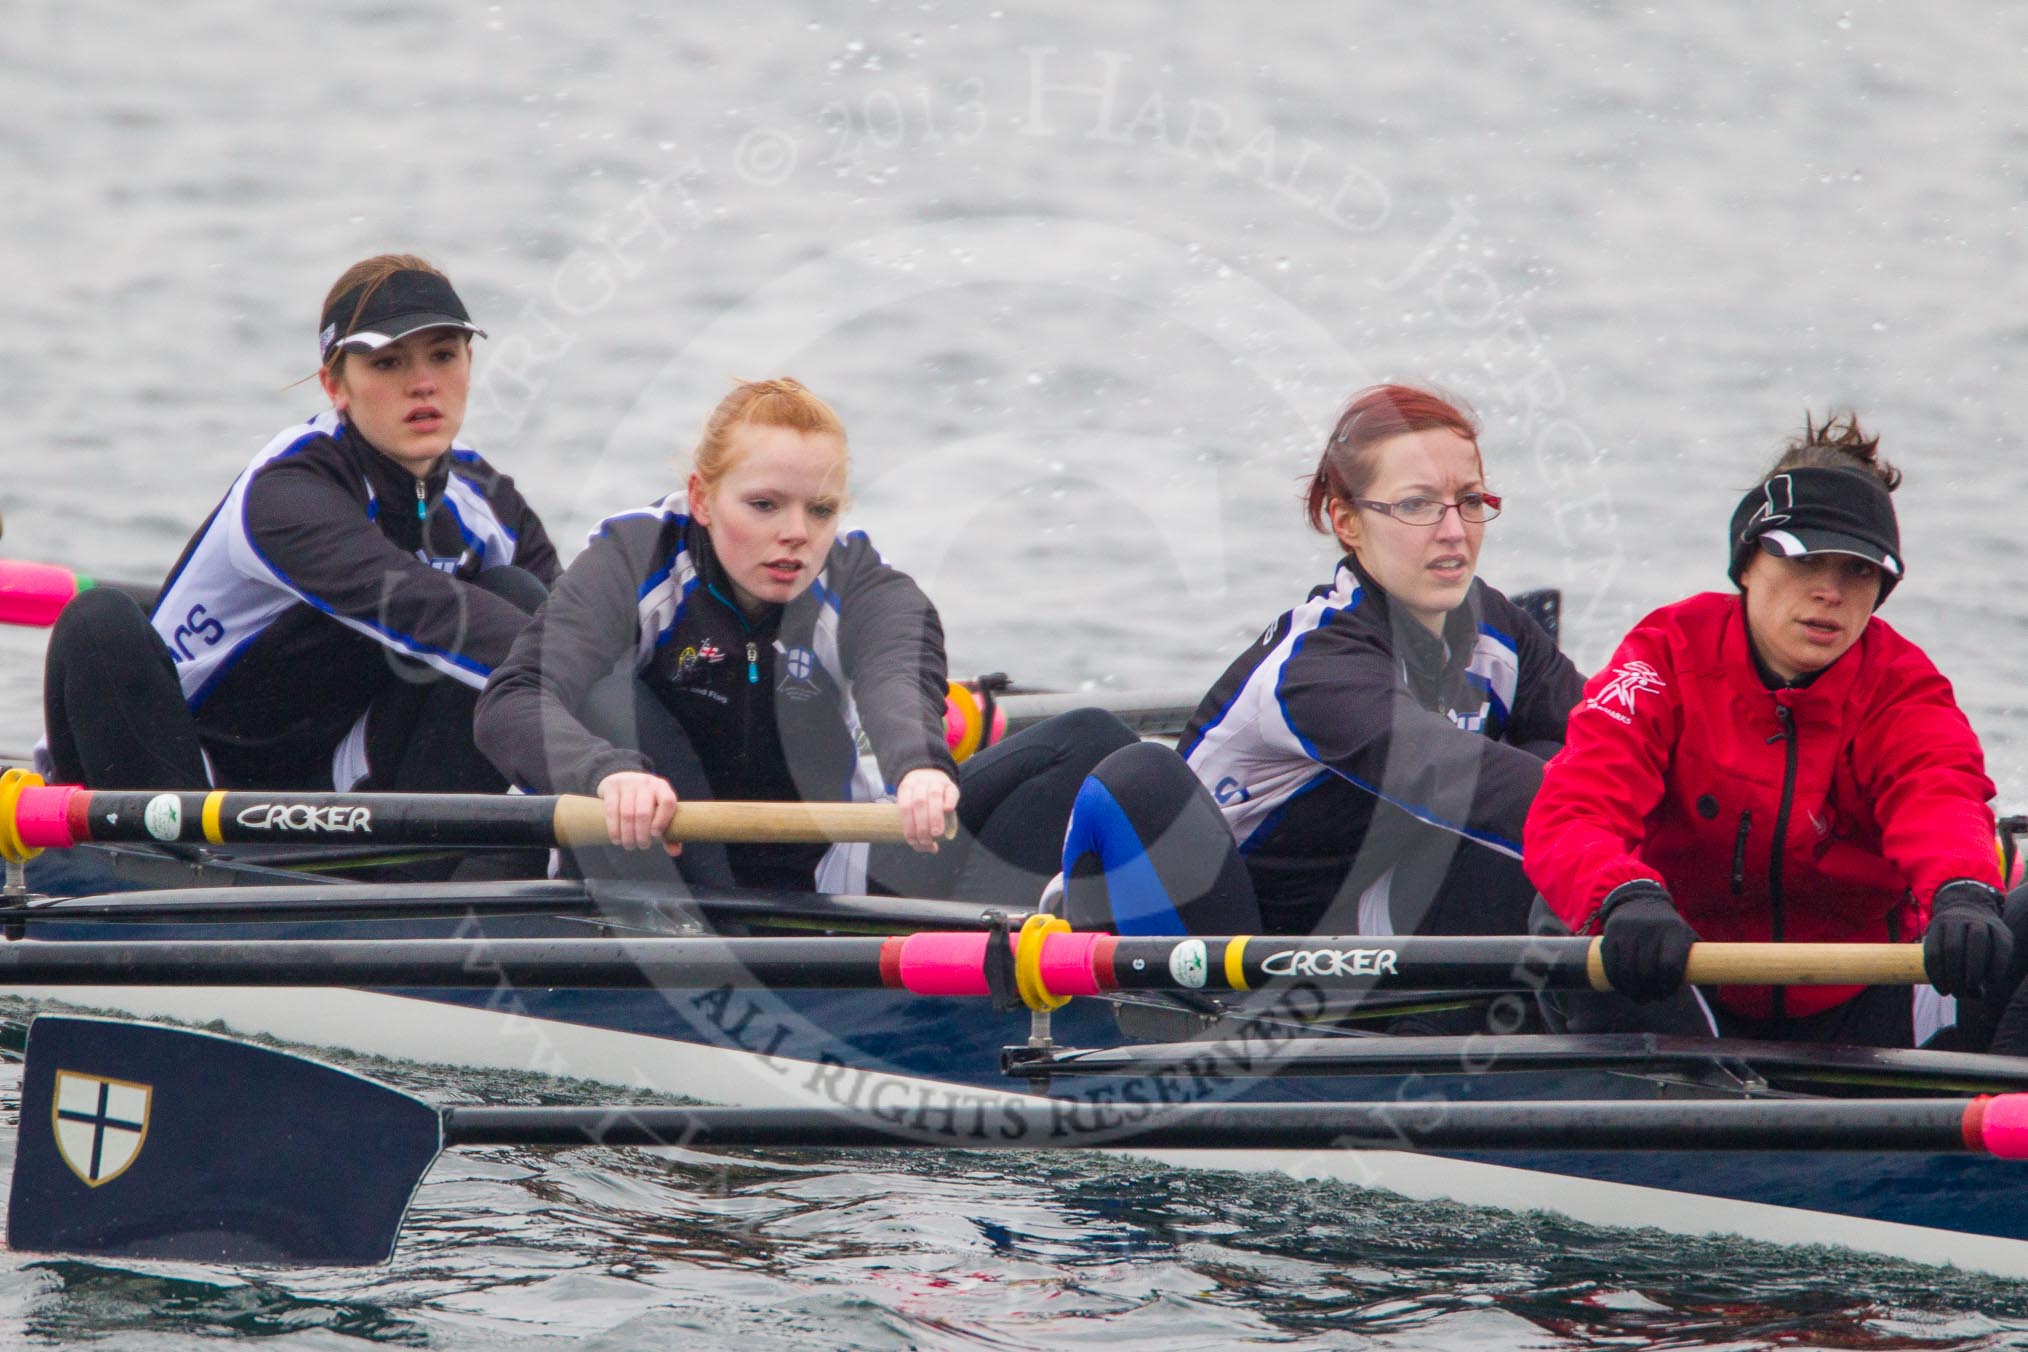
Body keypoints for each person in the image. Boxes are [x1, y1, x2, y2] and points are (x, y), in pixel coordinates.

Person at [474, 377, 1135, 906]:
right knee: (611, 700)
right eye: (764, 506)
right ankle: (686, 955)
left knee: (1090, 742)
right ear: (702, 499)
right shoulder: (631, 560)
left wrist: (920, 767)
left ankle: (977, 978)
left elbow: (896, 674)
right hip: (662, 868)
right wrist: (605, 772)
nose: (795, 534)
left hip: (824, 891)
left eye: (819, 510)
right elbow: (511, 699)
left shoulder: (860, 583)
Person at [1525, 413, 2024, 1050]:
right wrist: (1626, 897)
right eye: (1806, 560)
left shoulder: (1903, 685)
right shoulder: (1663, 655)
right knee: (1570, 909)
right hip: (1672, 980)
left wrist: (1963, 891)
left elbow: (1940, 795)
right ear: (1746, 565)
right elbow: (1574, 809)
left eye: (1859, 572)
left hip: (1863, 1004)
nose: (1831, 593)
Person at [1059, 383, 1584, 940]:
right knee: (1138, 771)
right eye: (1417, 505)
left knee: (1567, 759)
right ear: (1347, 522)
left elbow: (1612, 741)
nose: (1454, 531)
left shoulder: (1498, 629)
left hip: (1351, 920)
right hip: (1217, 937)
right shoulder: (1317, 666)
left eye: (1471, 501)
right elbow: (1461, 776)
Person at [39, 254, 559, 794]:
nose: (424, 384)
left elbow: (584, 623)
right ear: (336, 385)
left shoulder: (488, 500)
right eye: (388, 363)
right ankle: (164, 861)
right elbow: (417, 606)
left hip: (336, 775)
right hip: (174, 765)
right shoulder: (288, 491)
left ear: (469, 366)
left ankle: (425, 865)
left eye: (444, 356)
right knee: (97, 623)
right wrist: (581, 677)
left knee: (520, 595)